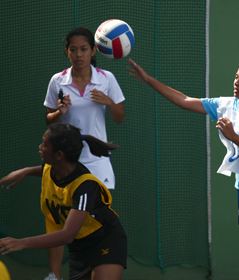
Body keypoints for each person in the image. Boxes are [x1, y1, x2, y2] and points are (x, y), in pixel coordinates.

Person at [127, 58, 239, 280]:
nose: (236, 82)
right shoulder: (224, 105)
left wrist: (234, 136)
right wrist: (148, 80)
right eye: (236, 77)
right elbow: (184, 100)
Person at [43, 27, 125, 279]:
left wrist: (108, 102)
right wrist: (60, 113)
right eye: (73, 49)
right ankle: (53, 275)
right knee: (58, 217)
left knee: (94, 219)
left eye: (84, 49)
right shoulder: (58, 80)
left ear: (93, 51)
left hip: (97, 161)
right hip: (64, 159)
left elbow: (120, 118)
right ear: (67, 51)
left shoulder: (107, 78)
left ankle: (94, 269)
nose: (79, 55)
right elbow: (49, 121)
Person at [0, 123, 127, 280]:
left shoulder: (85, 186)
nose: (40, 147)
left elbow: (67, 235)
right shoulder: (53, 168)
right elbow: (45, 170)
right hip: (79, 247)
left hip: (104, 239)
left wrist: (22, 243)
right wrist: (26, 171)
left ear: (59, 155)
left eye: (45, 145)